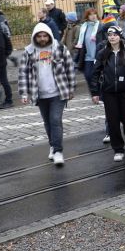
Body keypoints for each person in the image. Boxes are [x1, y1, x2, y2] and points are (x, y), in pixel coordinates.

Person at [18, 22, 77, 166]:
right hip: (39, 94)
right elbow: (23, 73)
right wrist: (24, 93)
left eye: (45, 36)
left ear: (49, 36)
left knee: (55, 120)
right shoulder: (29, 52)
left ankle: (58, 151)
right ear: (35, 37)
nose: (42, 39)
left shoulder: (59, 48)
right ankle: (53, 144)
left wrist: (71, 88)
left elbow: (69, 68)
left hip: (58, 92)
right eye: (39, 36)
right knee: (47, 122)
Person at [90, 26, 125, 162]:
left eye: (114, 34)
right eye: (109, 35)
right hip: (109, 92)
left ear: (120, 36)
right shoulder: (102, 53)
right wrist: (95, 92)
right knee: (113, 121)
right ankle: (118, 149)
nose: (112, 37)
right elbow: (95, 73)